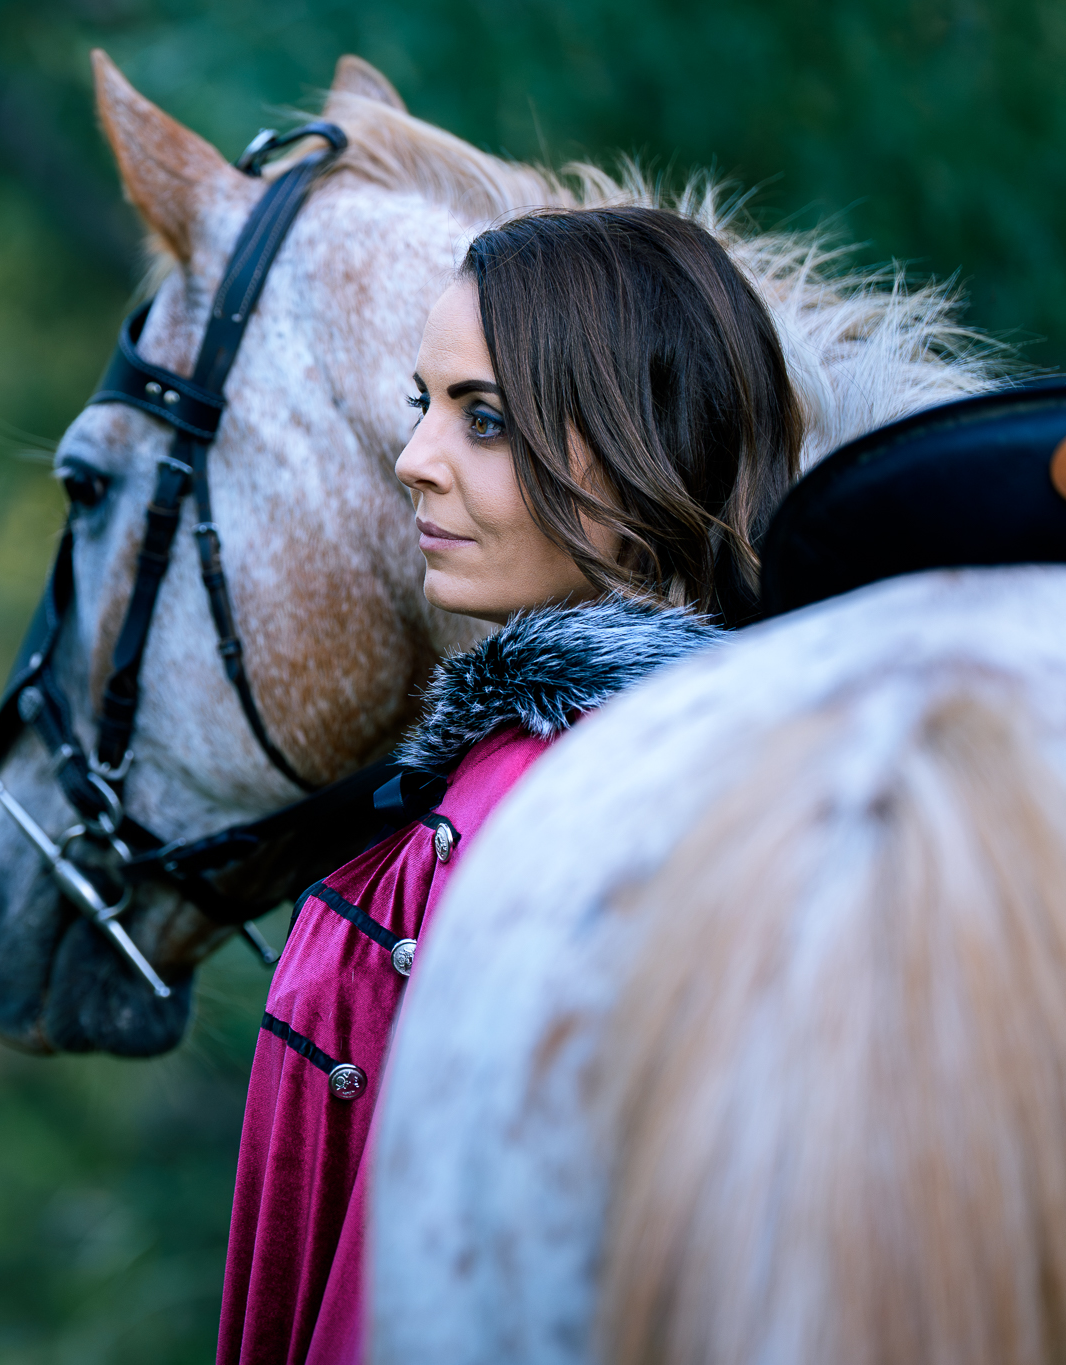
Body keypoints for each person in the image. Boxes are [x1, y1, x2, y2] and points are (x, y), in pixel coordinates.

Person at [216, 204, 804, 1365]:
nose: (411, 459)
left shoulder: (571, 817)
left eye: (480, 419)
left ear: (647, 442)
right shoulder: (540, 778)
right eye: (421, 404)